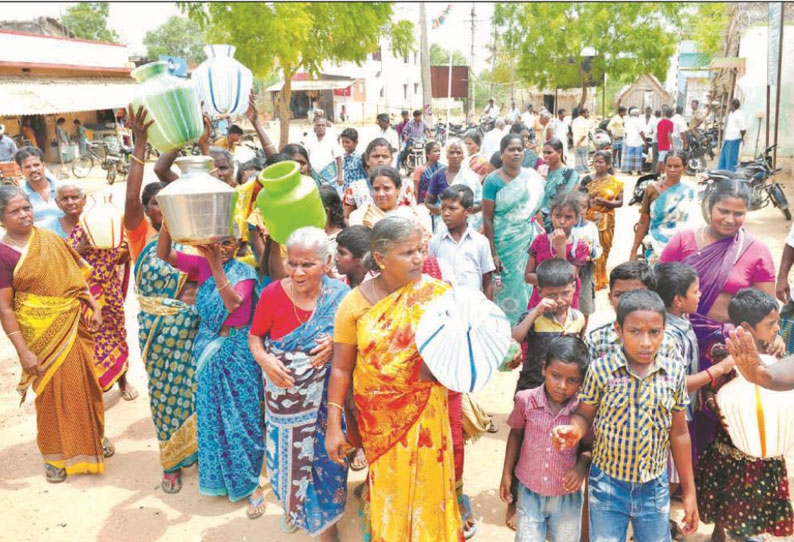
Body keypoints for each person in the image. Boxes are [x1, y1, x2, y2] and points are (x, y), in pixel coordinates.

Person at [325, 216, 463, 542]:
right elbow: (341, 368)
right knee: (390, 490)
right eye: (407, 253)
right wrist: (334, 424)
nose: (418, 259)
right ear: (381, 258)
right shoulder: (353, 305)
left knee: (429, 488)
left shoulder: (439, 296)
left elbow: (464, 346)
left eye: (420, 250)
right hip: (379, 421)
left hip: (426, 411)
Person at [553, 290, 699, 541]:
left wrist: (689, 492)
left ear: (664, 331)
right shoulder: (601, 370)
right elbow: (584, 415)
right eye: (635, 331)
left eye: (654, 332)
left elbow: (679, 433)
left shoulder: (674, 373)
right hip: (608, 485)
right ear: (619, 330)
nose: (646, 342)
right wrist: (574, 430)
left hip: (654, 487)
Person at [658, 179, 779, 464]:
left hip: (729, 348)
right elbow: (658, 288)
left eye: (739, 213)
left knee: (719, 412)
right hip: (679, 340)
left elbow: (765, 309)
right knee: (675, 406)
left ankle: (708, 481)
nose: (730, 219)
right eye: (723, 210)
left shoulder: (755, 250)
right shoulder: (683, 241)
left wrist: (773, 338)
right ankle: (675, 477)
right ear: (708, 206)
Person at [0, 186, 109, 483]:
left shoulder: (49, 239)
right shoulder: (3, 254)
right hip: (39, 335)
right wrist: (24, 351)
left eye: (26, 208)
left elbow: (74, 277)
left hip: (72, 325)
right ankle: (54, 456)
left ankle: (94, 439)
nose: (24, 214)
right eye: (15, 211)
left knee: (85, 384)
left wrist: (93, 304)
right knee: (49, 396)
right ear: (1, 218)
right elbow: (5, 309)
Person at [157, 224, 266, 517]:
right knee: (213, 416)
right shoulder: (199, 264)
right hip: (208, 349)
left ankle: (251, 484)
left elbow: (233, 303)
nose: (223, 248)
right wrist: (169, 224)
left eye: (229, 242)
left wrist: (216, 266)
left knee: (242, 418)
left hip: (237, 351)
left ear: (238, 244)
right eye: (217, 242)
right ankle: (219, 477)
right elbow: (163, 253)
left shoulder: (244, 273)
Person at [248, 227, 350, 538]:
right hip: (285, 403)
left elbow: (353, 344)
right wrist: (265, 360)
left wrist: (335, 342)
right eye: (292, 263)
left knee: (328, 461)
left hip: (326, 401)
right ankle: (298, 509)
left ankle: (327, 526)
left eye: (307, 264)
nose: (298, 272)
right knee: (288, 468)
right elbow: (255, 337)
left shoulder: (341, 296)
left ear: (327, 262)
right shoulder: (272, 294)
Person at [124, 105, 201, 494]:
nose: (159, 208)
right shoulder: (141, 235)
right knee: (166, 397)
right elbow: (137, 195)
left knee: (195, 389)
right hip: (157, 333)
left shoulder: (188, 234)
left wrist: (188, 134)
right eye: (156, 203)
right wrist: (140, 142)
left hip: (192, 329)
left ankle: (199, 453)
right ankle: (171, 463)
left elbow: (176, 176)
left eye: (165, 203)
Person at [696, 288, 793, 542]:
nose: (776, 329)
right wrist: (712, 404)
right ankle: (719, 532)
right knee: (725, 487)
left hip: (763, 434)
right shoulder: (723, 351)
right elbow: (709, 384)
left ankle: (746, 531)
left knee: (756, 491)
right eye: (770, 324)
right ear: (747, 328)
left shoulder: (774, 351)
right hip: (729, 436)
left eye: (777, 322)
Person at [43, 183, 135, 399]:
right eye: (65, 199)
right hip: (77, 294)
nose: (71, 202)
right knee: (85, 340)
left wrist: (122, 251)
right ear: (57, 203)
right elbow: (51, 265)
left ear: (84, 200)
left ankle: (122, 380)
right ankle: (93, 385)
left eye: (75, 197)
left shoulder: (99, 221)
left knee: (115, 332)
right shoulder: (50, 229)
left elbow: (120, 250)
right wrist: (77, 251)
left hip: (107, 291)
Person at [500, 335, 591, 541]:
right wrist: (507, 473)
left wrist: (580, 468)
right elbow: (515, 434)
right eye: (556, 376)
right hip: (529, 491)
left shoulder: (582, 411)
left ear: (582, 381)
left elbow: (589, 446)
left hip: (566, 497)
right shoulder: (526, 400)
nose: (562, 385)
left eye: (572, 380)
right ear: (544, 369)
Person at [482, 133, 545, 324]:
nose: (516, 153)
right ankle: (504, 330)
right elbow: (487, 219)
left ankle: (525, 327)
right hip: (502, 243)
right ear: (502, 153)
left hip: (526, 241)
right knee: (502, 285)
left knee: (526, 284)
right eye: (511, 149)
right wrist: (493, 253)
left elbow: (537, 211)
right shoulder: (492, 180)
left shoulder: (531, 178)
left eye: (520, 149)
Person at [512, 257, 586, 394]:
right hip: (532, 386)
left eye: (565, 293)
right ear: (539, 291)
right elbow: (514, 340)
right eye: (551, 295)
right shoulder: (533, 318)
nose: (559, 300)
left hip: (562, 390)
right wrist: (534, 314)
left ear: (574, 288)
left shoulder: (578, 318)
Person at [587, 261, 676, 363]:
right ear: (610, 298)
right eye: (619, 295)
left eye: (637, 294)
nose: (628, 300)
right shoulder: (597, 340)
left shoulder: (667, 342)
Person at [525, 193, 589, 311]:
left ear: (576, 219)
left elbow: (569, 278)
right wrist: (550, 284)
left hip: (565, 304)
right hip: (540, 301)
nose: (562, 221)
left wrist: (560, 248)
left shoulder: (579, 246)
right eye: (558, 216)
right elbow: (528, 276)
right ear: (551, 216)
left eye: (568, 217)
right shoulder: (539, 241)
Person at [428, 185, 495, 298]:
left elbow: (488, 283)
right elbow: (430, 279)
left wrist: (487, 311)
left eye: (452, 208)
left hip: (472, 307)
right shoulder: (435, 242)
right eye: (442, 208)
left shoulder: (480, 242)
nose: (446, 213)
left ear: (468, 211)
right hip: (444, 306)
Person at [630, 151, 696, 262]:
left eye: (677, 166)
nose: (672, 170)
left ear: (684, 167)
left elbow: (691, 224)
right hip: (655, 246)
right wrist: (634, 251)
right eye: (669, 166)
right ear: (664, 166)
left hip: (680, 247)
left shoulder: (689, 193)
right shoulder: (652, 189)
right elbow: (643, 221)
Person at [580, 151, 623, 290]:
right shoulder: (587, 180)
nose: (597, 165)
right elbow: (580, 198)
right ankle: (590, 277)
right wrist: (590, 202)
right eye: (596, 161)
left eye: (601, 162)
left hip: (606, 220)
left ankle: (600, 278)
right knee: (589, 247)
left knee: (604, 248)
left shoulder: (615, 182)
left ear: (608, 164)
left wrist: (605, 202)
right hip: (589, 219)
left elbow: (620, 202)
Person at [343, 137, 416, 217]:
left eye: (385, 156)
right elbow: (346, 217)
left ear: (391, 160)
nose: (380, 160)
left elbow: (413, 215)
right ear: (367, 160)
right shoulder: (355, 188)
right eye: (376, 156)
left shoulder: (404, 187)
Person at [349, 166, 431, 232]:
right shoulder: (360, 217)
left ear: (398, 190)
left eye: (386, 188)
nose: (380, 194)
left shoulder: (415, 216)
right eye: (376, 189)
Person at [425, 139, 482, 231]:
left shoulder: (471, 177)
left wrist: (461, 214)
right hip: (443, 224)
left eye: (458, 152)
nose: (455, 156)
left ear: (463, 156)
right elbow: (428, 202)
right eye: (452, 152)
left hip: (467, 225)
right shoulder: (438, 175)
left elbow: (480, 204)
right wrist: (444, 211)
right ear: (447, 155)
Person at [538, 138, 580, 232]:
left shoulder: (570, 174)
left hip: (558, 222)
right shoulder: (541, 170)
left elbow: (570, 200)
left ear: (559, 152)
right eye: (544, 153)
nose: (545, 156)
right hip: (537, 220)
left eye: (549, 152)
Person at [14, 146, 61, 226]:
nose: (33, 170)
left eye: (36, 165)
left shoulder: (62, 188)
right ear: (20, 170)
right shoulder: (19, 196)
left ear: (43, 165)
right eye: (27, 167)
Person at [306, 117, 344, 194]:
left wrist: (340, 175)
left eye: (323, 125)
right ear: (314, 127)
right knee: (319, 196)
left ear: (326, 126)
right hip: (315, 174)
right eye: (318, 125)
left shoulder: (331, 138)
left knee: (332, 195)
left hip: (329, 174)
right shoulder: (309, 139)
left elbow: (338, 157)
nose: (321, 127)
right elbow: (306, 156)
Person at [717, 99, 746, 172]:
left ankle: (731, 173)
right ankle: (722, 172)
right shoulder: (731, 113)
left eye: (730, 105)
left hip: (734, 139)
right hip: (728, 138)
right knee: (724, 156)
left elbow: (743, 129)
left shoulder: (739, 115)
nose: (729, 106)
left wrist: (742, 137)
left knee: (731, 158)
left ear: (733, 106)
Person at [340, 127, 368, 192]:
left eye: (347, 142)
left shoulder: (359, 159)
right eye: (343, 142)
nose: (344, 144)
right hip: (347, 193)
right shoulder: (345, 158)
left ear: (356, 142)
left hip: (358, 193)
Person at [622, 108, 644, 175]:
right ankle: (638, 171)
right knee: (638, 157)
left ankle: (629, 171)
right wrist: (644, 140)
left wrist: (627, 139)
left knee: (630, 157)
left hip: (629, 141)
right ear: (637, 114)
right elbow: (641, 132)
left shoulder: (627, 121)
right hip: (637, 141)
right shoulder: (639, 121)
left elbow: (625, 133)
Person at [571, 108, 591, 173]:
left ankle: (578, 169)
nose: (588, 114)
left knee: (577, 157)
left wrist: (577, 141)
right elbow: (585, 134)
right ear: (583, 113)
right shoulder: (586, 122)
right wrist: (580, 141)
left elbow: (572, 130)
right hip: (583, 142)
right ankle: (585, 169)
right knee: (584, 156)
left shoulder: (575, 121)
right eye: (587, 113)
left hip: (575, 141)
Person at [655, 107, 675, 174]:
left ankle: (658, 174)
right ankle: (661, 174)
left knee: (661, 159)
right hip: (665, 144)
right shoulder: (670, 123)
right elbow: (669, 135)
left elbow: (657, 133)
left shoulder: (660, 122)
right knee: (662, 160)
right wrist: (672, 144)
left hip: (660, 143)